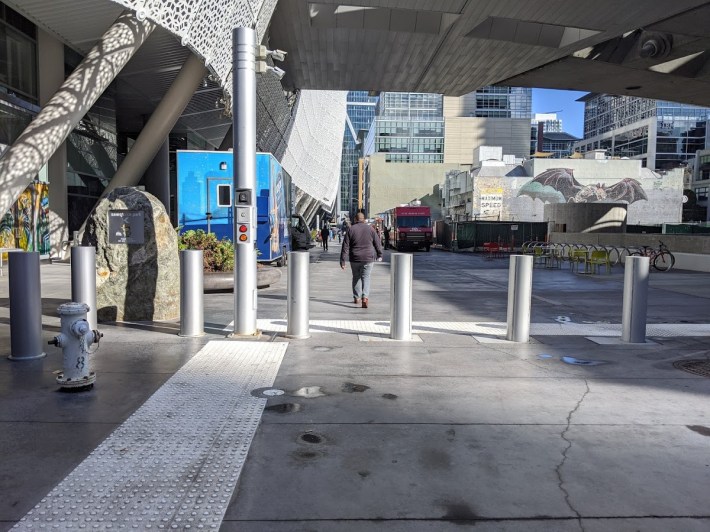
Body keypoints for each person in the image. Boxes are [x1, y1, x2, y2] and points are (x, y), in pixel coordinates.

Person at [340, 212, 383, 308]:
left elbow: (345, 246)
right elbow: (377, 243)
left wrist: (342, 261)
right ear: (364, 219)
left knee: (356, 277)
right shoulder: (371, 229)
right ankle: (365, 297)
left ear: (355, 219)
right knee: (366, 277)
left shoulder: (351, 229)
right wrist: (379, 254)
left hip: (355, 258)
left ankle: (356, 298)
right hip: (368, 258)